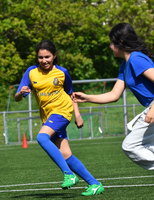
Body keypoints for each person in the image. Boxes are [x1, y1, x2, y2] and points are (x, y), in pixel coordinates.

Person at [15, 39, 104, 196]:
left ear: (54, 55)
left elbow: (71, 95)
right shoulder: (31, 72)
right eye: (40, 57)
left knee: (42, 137)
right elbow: (17, 97)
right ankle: (95, 184)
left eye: (47, 57)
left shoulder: (62, 72)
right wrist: (21, 93)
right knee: (66, 155)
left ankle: (68, 174)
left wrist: (77, 115)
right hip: (48, 116)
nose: (44, 60)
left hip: (62, 111)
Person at [72, 22, 154, 170]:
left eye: (111, 42)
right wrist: (87, 97)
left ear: (120, 42)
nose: (110, 46)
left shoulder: (136, 59)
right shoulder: (125, 65)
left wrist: (153, 109)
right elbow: (113, 95)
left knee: (131, 145)